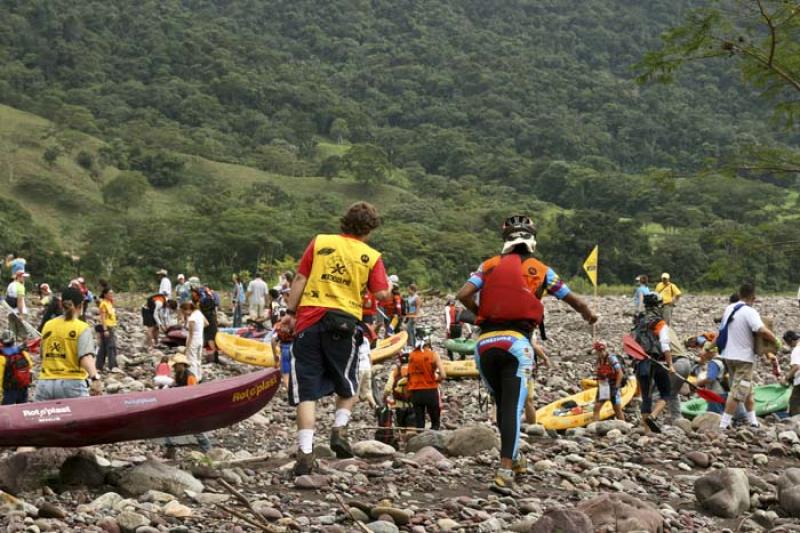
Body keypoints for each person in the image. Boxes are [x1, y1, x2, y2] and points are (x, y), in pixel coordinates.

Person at [457, 214, 597, 494]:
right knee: (512, 408)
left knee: (501, 403)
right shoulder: (542, 270)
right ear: (531, 240)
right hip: (517, 345)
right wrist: (589, 315)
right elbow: (575, 300)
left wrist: (481, 314)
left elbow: (463, 294)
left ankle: (516, 458)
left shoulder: (488, 266)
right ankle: (505, 470)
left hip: (484, 346)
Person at [280, 201, 391, 476]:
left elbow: (300, 279)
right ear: (370, 229)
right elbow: (381, 295)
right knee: (348, 381)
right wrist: (387, 289)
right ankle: (338, 430)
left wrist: (290, 314)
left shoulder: (320, 242)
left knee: (307, 391)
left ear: (344, 221)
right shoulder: (371, 255)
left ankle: (305, 454)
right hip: (343, 323)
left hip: (308, 320)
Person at [717, 282, 777, 430]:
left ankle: (753, 421)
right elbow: (761, 330)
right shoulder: (750, 311)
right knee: (737, 393)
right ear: (753, 297)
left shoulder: (729, 308)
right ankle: (723, 425)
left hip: (728, 357)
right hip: (743, 359)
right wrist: (776, 340)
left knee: (747, 389)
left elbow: (721, 332)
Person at [36, 287, 102, 400]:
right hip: (72, 384)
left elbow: (42, 354)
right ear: (80, 306)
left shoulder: (48, 325)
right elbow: (85, 357)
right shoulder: (81, 327)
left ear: (61, 304)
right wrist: (95, 378)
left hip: (45, 383)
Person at [633, 293, 674, 433]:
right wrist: (670, 365)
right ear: (658, 306)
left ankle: (646, 431)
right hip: (657, 362)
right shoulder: (660, 322)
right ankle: (653, 415)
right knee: (666, 393)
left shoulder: (639, 321)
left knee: (646, 396)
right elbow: (665, 345)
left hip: (640, 362)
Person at [164, 353, 210, 458]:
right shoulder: (178, 374)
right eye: (174, 366)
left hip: (191, 406)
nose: (175, 367)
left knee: (195, 429)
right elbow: (175, 385)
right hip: (180, 404)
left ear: (182, 365)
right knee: (168, 426)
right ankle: (170, 450)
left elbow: (194, 393)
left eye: (177, 365)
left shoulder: (190, 377)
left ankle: (206, 449)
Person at [408, 335, 447, 430]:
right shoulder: (433, 355)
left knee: (419, 423)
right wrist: (437, 379)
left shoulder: (411, 355)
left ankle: (420, 441)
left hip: (415, 392)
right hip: (430, 390)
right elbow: (443, 375)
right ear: (428, 343)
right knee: (435, 422)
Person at [592, 341, 625, 422]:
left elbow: (620, 373)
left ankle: (624, 426)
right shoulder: (599, 360)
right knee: (596, 408)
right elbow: (598, 373)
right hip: (603, 386)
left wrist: (616, 387)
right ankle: (595, 427)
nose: (596, 353)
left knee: (617, 408)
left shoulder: (611, 358)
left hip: (613, 385)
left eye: (597, 351)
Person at [384, 349, 416, 431]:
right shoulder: (416, 370)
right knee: (412, 429)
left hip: (399, 406)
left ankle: (403, 441)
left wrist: (384, 398)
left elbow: (388, 388)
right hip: (414, 405)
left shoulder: (396, 371)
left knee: (402, 429)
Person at [0, 330, 33, 404]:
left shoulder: (2, 357)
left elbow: (0, 377)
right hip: (23, 387)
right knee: (22, 411)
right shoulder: (22, 352)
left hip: (9, 390)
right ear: (13, 340)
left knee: (7, 413)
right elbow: (30, 365)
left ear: (1, 341)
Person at [192, 285, 219, 363]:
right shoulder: (209, 297)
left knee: (209, 337)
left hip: (207, 319)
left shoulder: (201, 301)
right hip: (212, 318)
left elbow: (199, 312)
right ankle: (214, 355)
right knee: (212, 336)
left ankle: (212, 355)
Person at [181, 301, 207, 381]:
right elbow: (206, 323)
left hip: (193, 341)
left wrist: (187, 347)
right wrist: (199, 329)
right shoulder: (198, 313)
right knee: (198, 359)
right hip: (200, 339)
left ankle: (193, 379)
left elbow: (191, 335)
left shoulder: (192, 319)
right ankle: (199, 377)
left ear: (187, 310)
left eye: (183, 312)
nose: (184, 314)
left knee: (191, 360)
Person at [96, 288, 118, 372]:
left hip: (111, 325)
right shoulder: (103, 304)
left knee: (103, 347)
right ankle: (112, 365)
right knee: (111, 346)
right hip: (107, 326)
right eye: (110, 293)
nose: (112, 295)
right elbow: (103, 318)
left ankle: (99, 365)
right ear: (105, 294)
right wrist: (105, 329)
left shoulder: (110, 303)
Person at [271, 311, 294, 389]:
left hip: (285, 348)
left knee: (285, 371)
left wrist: (275, 355)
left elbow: (273, 341)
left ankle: (288, 388)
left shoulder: (279, 326)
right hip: (295, 348)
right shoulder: (295, 322)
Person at [5, 269, 28, 341]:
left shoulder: (10, 285)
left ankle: (12, 348)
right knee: (22, 334)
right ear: (19, 277)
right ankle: (22, 350)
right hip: (19, 311)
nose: (25, 279)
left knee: (12, 333)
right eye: (23, 277)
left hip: (10, 311)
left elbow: (7, 298)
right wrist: (21, 314)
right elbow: (20, 300)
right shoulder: (20, 286)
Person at [356, 333, 377, 409]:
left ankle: (355, 411)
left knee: (355, 392)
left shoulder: (353, 340)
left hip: (359, 368)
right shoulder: (366, 340)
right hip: (367, 367)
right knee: (368, 390)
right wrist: (371, 367)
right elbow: (369, 355)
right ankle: (375, 405)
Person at [783, 331, 800, 416]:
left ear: (791, 341)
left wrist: (787, 377)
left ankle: (795, 421)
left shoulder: (796, 350)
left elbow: (796, 366)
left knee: (794, 401)